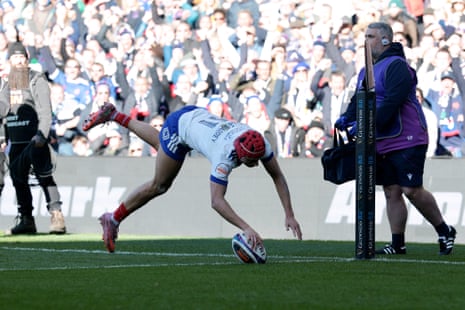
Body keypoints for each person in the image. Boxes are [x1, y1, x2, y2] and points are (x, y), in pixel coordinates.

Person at [82, 102, 302, 253]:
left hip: (195, 114)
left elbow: (277, 176)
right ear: (240, 156)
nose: (255, 165)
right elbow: (217, 201)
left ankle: (114, 115)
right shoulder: (223, 157)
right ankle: (113, 218)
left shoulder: (259, 141)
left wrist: (290, 214)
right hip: (180, 127)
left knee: (160, 144)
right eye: (250, 162)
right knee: (160, 185)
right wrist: (246, 227)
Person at [335, 22, 456, 255]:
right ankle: (398, 244)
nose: (366, 41)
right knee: (391, 189)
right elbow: (357, 100)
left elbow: (393, 101)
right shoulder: (366, 70)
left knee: (411, 189)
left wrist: (365, 125)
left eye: (370, 36)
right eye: (365, 36)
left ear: (384, 40)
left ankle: (443, 229)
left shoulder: (397, 65)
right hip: (382, 138)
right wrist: (346, 119)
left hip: (408, 136)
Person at [0, 41, 66, 234]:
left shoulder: (36, 79)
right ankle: (27, 219)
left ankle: (57, 215)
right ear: (9, 61)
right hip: (16, 142)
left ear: (27, 60)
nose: (19, 61)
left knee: (44, 176)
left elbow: (46, 111)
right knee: (18, 179)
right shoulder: (7, 84)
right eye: (15, 58)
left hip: (34, 139)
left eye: (22, 57)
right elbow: (3, 109)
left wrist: (42, 135)